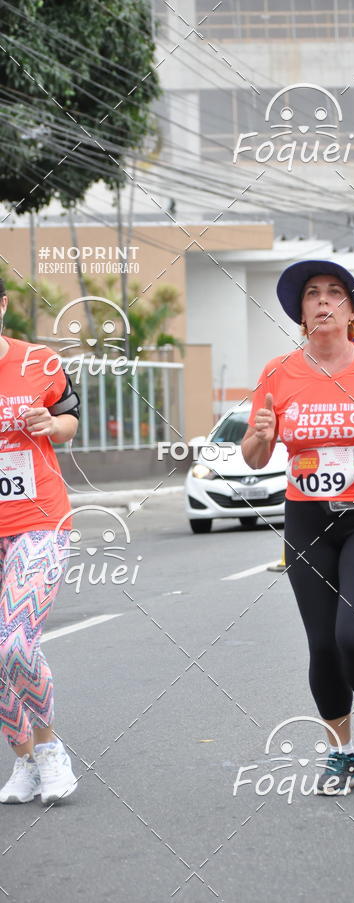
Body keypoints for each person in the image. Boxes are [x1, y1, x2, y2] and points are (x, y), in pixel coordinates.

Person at [242, 260, 354, 794]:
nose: (323, 301)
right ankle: (340, 753)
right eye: (312, 294)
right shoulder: (278, 372)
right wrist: (260, 436)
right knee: (323, 644)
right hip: (307, 517)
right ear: (301, 313)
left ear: (350, 312)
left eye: (335, 293)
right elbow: (254, 456)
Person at [0, 278, 81, 805]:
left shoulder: (39, 361)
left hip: (39, 520)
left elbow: (71, 420)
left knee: (14, 643)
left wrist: (51, 423)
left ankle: (50, 750)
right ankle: (24, 759)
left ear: (2, 305)